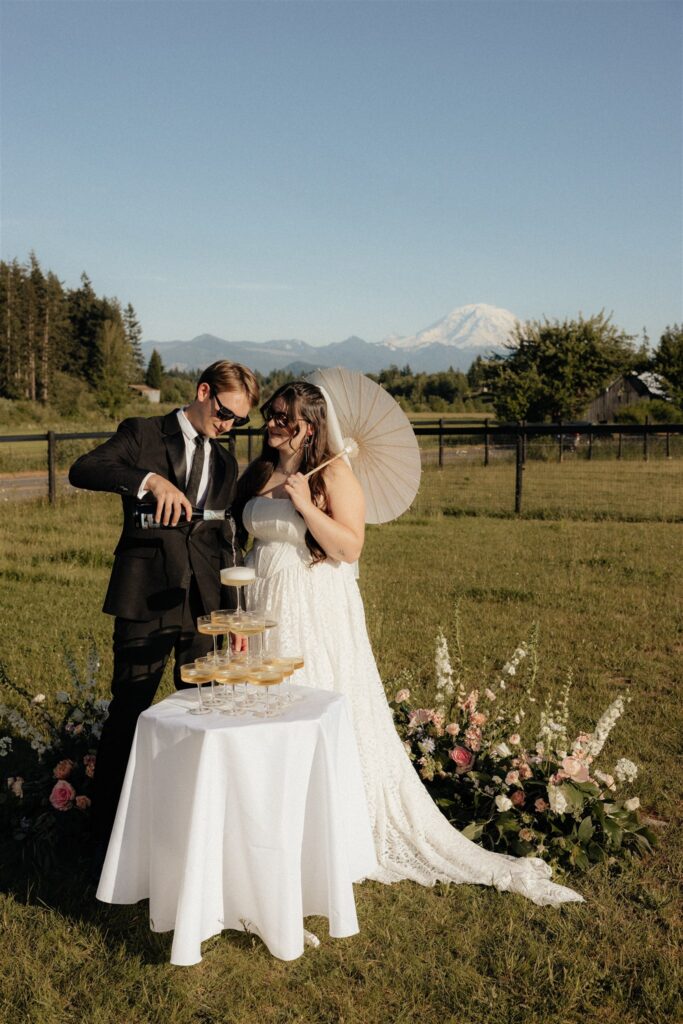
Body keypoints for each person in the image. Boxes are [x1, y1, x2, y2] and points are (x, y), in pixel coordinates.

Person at [234, 381, 583, 907]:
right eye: (270, 415)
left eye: (283, 418)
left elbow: (349, 547)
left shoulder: (332, 474)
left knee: (303, 703)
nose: (272, 425)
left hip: (311, 610)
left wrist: (306, 507)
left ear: (309, 425)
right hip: (263, 603)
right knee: (262, 712)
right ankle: (261, 830)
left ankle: (315, 837)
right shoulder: (261, 472)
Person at [69, 360, 259, 851]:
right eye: (225, 414)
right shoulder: (143, 433)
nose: (229, 426)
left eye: (239, 421)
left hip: (204, 605)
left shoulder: (225, 463)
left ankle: (192, 833)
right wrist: (150, 480)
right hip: (146, 598)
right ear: (202, 392)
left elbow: (227, 542)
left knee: (204, 715)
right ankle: (106, 839)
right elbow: (84, 468)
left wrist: (234, 612)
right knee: (129, 712)